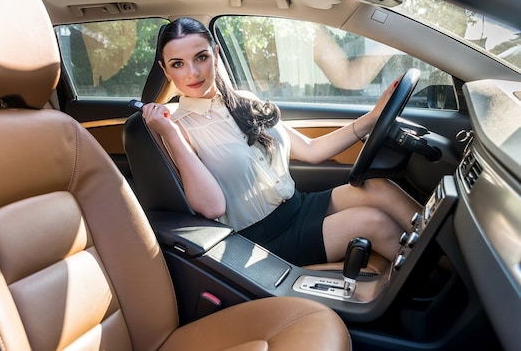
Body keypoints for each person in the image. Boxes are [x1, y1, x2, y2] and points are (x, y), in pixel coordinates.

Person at [142, 17, 421, 266]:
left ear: (215, 54)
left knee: (380, 189)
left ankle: (455, 258)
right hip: (260, 240)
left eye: (200, 57)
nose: (193, 72)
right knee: (373, 222)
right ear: (166, 71)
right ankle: (441, 287)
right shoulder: (175, 127)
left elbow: (311, 151)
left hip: (297, 206)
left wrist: (372, 118)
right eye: (177, 64)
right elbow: (213, 208)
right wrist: (170, 134)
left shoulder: (245, 101)